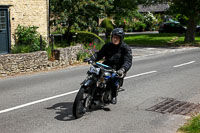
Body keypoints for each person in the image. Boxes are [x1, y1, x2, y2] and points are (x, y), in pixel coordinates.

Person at [88, 28, 132, 104]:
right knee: (95, 74)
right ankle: (93, 92)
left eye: (117, 38)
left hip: (118, 68)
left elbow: (128, 61)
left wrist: (122, 69)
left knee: (113, 79)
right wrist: (92, 58)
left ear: (121, 39)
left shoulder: (126, 48)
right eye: (113, 37)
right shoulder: (108, 45)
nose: (115, 39)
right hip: (106, 65)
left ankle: (113, 95)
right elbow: (99, 54)